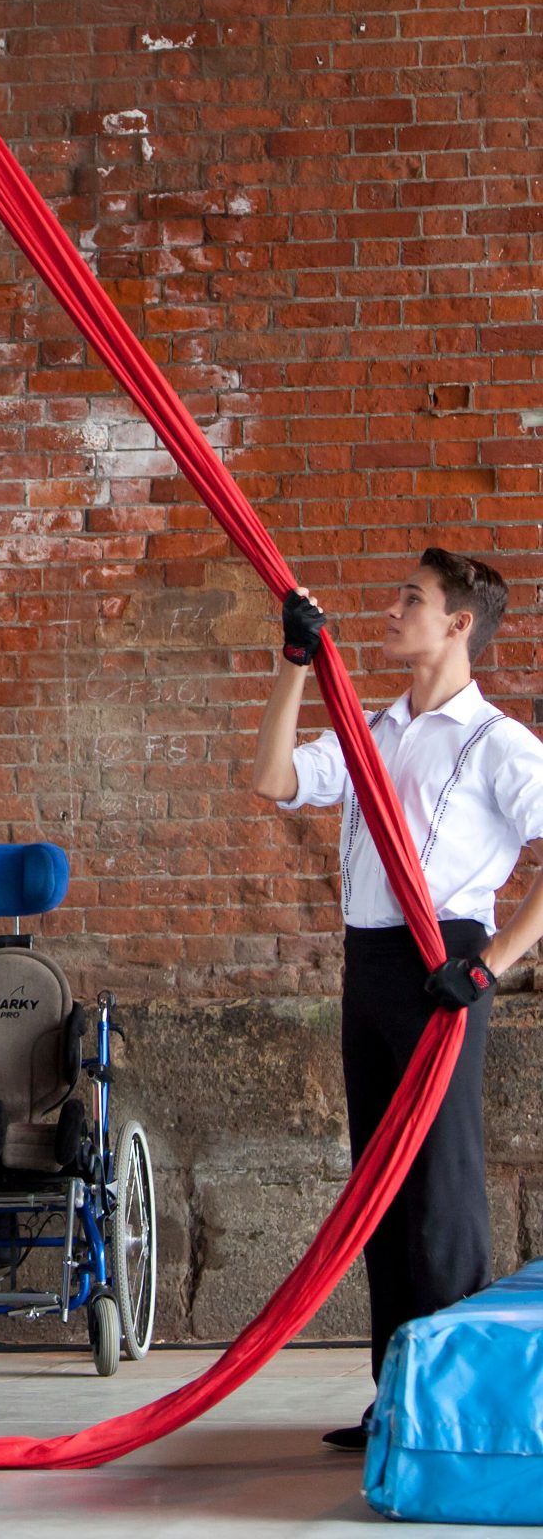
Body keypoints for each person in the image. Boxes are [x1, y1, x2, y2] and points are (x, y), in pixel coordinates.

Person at [250, 548, 543, 1451]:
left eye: (410, 600)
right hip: (368, 961)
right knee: (379, 1183)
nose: (391, 610)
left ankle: (456, 1409)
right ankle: (399, 1395)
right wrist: (292, 668)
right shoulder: (372, 730)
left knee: (442, 1187)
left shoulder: (500, 743)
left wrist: (492, 963)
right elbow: (274, 780)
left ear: (459, 625)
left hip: (446, 964)